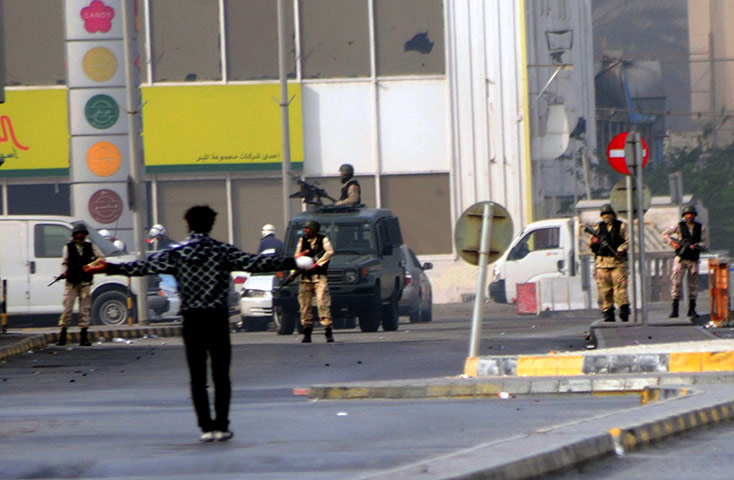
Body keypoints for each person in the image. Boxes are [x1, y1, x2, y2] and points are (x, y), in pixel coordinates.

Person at [83, 205, 301, 443]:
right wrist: (294, 261)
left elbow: (142, 267)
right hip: (217, 319)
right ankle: (222, 425)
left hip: (192, 320)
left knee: (197, 376)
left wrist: (109, 267)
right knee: (221, 375)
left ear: (188, 225)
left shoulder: (177, 253)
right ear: (211, 225)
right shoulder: (222, 251)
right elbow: (256, 263)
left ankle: (206, 427)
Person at [56, 224, 105, 347]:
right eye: (79, 234)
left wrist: (90, 265)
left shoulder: (90, 246)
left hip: (85, 281)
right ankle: (63, 335)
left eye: (82, 234)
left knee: (84, 309)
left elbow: (101, 258)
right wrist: (65, 273)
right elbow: (64, 263)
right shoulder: (68, 247)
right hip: (72, 282)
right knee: (67, 308)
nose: (81, 236)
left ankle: (84, 336)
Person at [662, 204, 707, 319]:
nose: (689, 216)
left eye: (691, 214)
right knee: (676, 283)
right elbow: (665, 234)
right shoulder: (679, 226)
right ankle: (675, 309)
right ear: (684, 215)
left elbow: (705, 243)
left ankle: (692, 309)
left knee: (693, 285)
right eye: (687, 214)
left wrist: (697, 245)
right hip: (681, 257)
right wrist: (673, 243)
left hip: (693, 258)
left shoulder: (700, 228)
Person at [589, 204, 630, 322]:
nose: (607, 216)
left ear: (613, 214)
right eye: (604, 214)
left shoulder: (621, 226)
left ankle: (623, 308)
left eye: (609, 214)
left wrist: (622, 249)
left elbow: (628, 241)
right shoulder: (598, 227)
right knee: (604, 289)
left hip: (617, 262)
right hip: (602, 262)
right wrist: (594, 242)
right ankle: (608, 311)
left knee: (620, 288)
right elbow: (591, 243)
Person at [295, 219, 335, 343]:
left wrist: (318, 263)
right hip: (305, 278)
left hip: (319, 276)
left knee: (322, 301)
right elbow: (297, 256)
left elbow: (330, 251)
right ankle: (307, 332)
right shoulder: (302, 240)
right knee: (305, 305)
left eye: (308, 228)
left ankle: (328, 330)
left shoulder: (323, 239)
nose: (305, 230)